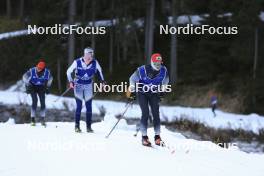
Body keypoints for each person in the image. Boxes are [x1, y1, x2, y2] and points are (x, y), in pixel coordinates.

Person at [127, 53, 169, 146]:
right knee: (145, 113)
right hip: (142, 93)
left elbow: (166, 81)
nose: (158, 65)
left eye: (159, 63)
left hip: (153, 93)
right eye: (156, 63)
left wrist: (162, 91)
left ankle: (157, 137)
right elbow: (132, 79)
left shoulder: (164, 70)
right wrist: (132, 92)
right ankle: (144, 137)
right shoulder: (142, 70)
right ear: (152, 62)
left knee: (156, 114)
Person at [67, 47, 105, 133]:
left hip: (88, 85)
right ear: (85, 54)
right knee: (79, 106)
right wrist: (70, 81)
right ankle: (77, 126)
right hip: (78, 85)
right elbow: (68, 71)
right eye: (89, 55)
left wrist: (102, 81)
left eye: (91, 55)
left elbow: (100, 71)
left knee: (89, 106)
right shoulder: (77, 62)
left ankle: (88, 127)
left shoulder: (95, 63)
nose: (90, 57)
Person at [22, 60, 53, 126]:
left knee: (42, 102)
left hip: (41, 87)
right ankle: (32, 119)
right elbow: (24, 77)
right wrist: (27, 85)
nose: (38, 69)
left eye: (40, 68)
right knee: (35, 101)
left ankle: (42, 119)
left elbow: (50, 79)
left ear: (43, 69)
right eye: (38, 67)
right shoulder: (32, 70)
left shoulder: (47, 72)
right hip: (32, 87)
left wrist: (48, 87)